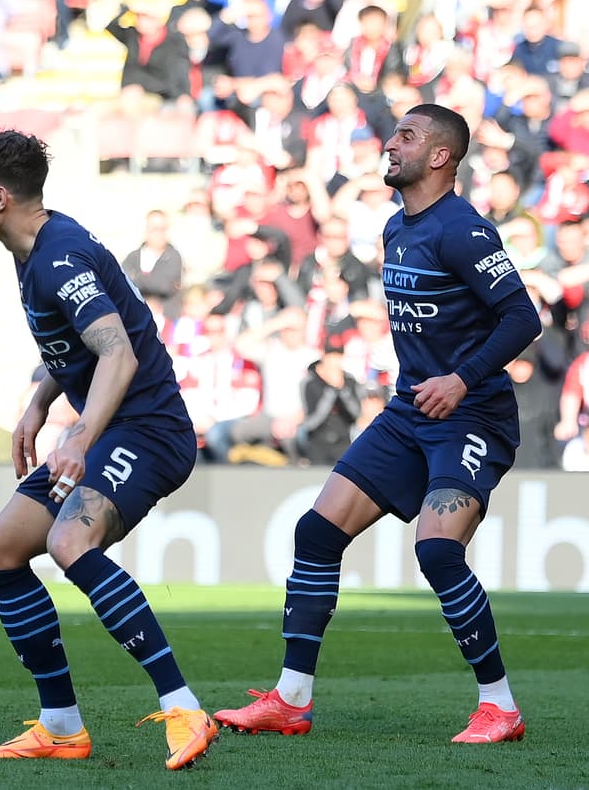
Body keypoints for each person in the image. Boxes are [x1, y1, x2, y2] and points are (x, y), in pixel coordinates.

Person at [214, 104, 542, 744]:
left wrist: (462, 378)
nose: (391, 144)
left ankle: (500, 706)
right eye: (394, 133)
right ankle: (291, 699)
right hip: (410, 409)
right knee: (316, 533)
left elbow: (521, 319)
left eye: (407, 136)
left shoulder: (463, 231)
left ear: (441, 156)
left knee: (438, 549)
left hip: (470, 412)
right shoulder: (397, 229)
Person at [0, 130, 218, 770]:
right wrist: (40, 401)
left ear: (0, 195)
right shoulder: (37, 246)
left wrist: (78, 436)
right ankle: (62, 725)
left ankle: (185, 708)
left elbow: (118, 352)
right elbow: (89, 339)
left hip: (148, 431)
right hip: (113, 427)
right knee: (1, 551)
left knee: (71, 543)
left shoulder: (59, 257)